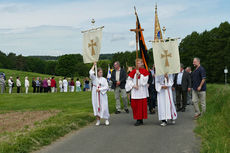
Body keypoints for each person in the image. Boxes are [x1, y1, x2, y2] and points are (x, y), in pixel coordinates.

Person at [125, 59, 149, 126]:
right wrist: (133, 85)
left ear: (142, 64)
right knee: (135, 106)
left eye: (139, 63)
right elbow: (128, 80)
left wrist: (140, 75)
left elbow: (145, 81)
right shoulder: (133, 71)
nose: (138, 64)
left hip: (141, 91)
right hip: (135, 91)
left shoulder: (145, 71)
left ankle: (140, 119)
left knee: (141, 106)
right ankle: (138, 118)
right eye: (137, 63)